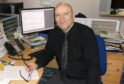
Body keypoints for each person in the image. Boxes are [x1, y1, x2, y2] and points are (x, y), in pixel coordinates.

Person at [27, 2, 102, 84]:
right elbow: (48, 53)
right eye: (57, 15)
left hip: (84, 79)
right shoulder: (54, 33)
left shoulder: (86, 33)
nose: (61, 18)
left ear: (73, 15)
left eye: (65, 14)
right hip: (62, 77)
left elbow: (93, 66)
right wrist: (37, 64)